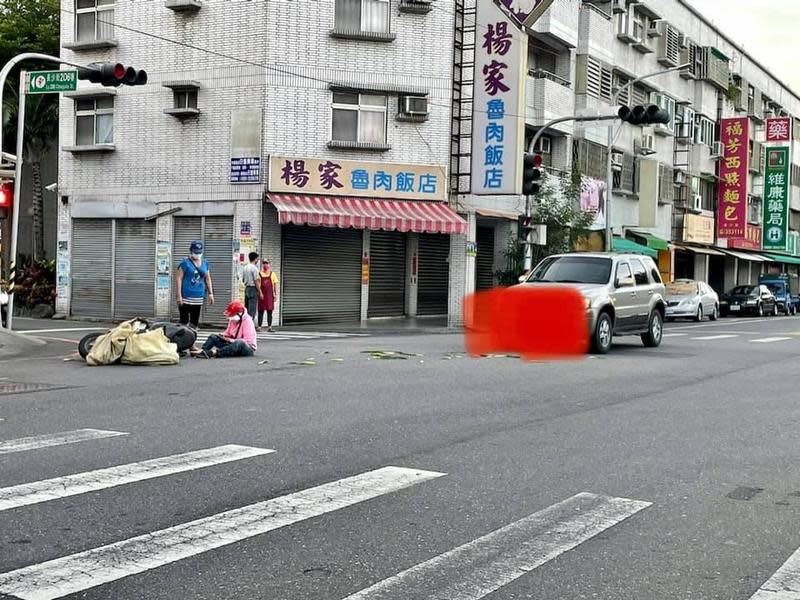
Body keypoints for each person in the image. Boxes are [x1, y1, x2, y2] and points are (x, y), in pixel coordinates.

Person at [176, 241, 214, 329]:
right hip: (185, 297)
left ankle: (192, 341)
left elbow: (207, 278)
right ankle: (183, 341)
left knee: (194, 323)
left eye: (199, 252)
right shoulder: (184, 263)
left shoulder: (205, 263)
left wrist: (210, 294)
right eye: (196, 252)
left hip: (198, 297)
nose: (197, 254)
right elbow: (179, 279)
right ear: (191, 251)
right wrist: (179, 296)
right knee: (184, 322)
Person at [258, 259, 279, 331]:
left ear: (269, 264)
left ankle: (270, 327)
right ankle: (259, 327)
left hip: (270, 296)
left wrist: (275, 294)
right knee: (261, 311)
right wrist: (260, 293)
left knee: (270, 311)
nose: (265, 265)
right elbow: (258, 285)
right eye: (264, 263)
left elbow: (275, 285)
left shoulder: (273, 274)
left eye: (266, 263)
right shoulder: (259, 274)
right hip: (262, 295)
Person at [241, 252, 261, 322]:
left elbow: (243, 280)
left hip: (247, 289)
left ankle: (245, 325)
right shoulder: (254, 268)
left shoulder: (245, 267)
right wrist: (260, 292)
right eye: (257, 259)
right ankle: (249, 326)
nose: (258, 260)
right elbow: (256, 281)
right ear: (255, 259)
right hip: (253, 289)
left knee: (246, 309)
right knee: (252, 310)